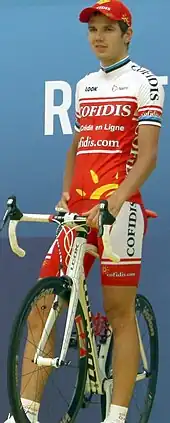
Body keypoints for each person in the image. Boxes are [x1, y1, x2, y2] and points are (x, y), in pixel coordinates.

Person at [5, 1, 165, 423]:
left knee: (118, 313)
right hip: (78, 211)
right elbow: (77, 145)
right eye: (93, 29)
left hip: (120, 211)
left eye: (108, 29)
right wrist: (64, 191)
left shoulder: (145, 83)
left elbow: (147, 157)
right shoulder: (84, 85)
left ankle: (116, 417)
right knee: (43, 304)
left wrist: (116, 200)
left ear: (127, 33)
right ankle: (26, 411)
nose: (98, 36)